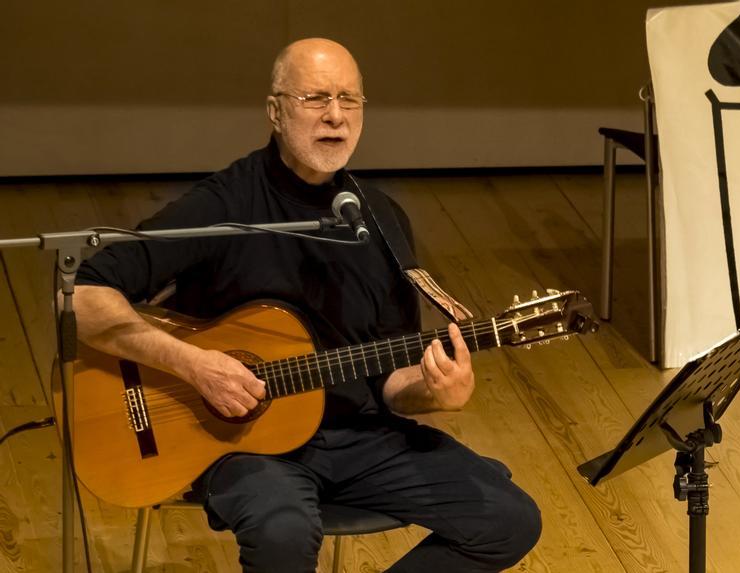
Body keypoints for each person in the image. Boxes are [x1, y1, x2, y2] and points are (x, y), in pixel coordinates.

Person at [73, 38, 541, 572]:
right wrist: (194, 365)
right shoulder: (225, 205)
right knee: (283, 533)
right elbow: (84, 297)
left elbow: (388, 379)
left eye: (350, 99)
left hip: (358, 438)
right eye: (315, 98)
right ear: (275, 111)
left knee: (507, 519)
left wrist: (434, 392)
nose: (336, 116)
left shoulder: (381, 221)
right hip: (243, 443)